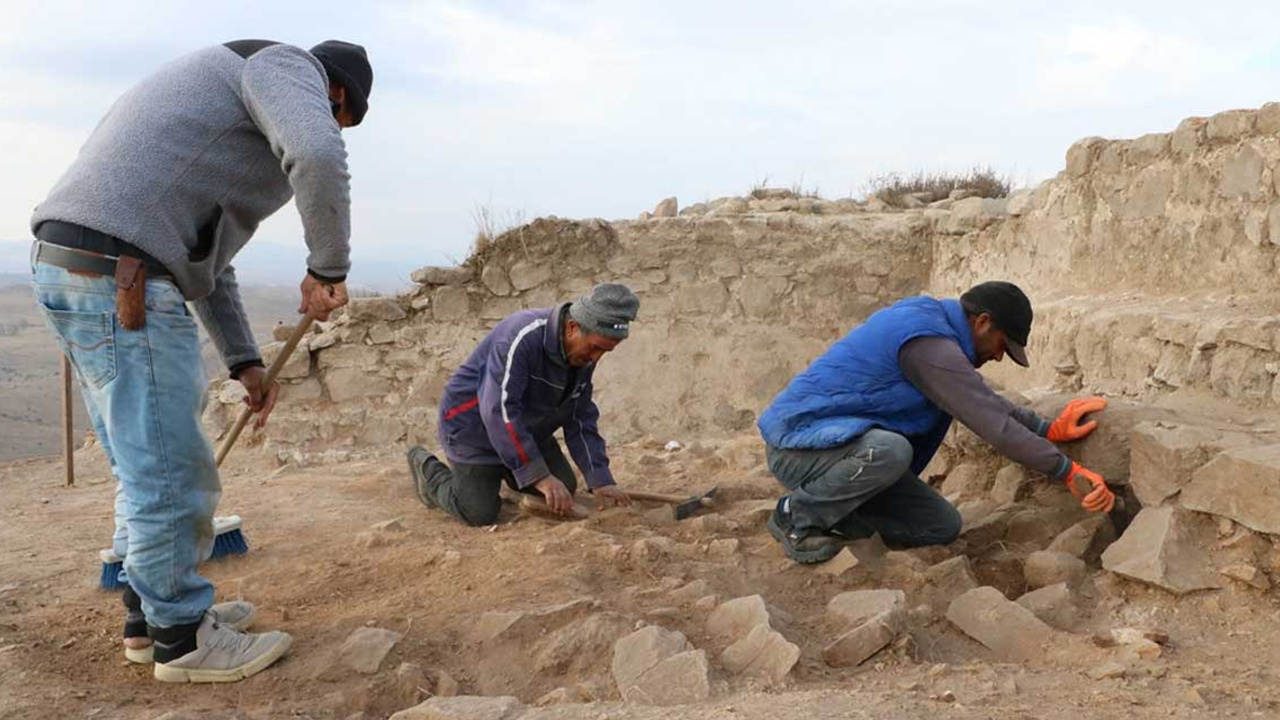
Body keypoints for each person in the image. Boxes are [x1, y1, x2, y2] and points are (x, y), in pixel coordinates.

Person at [29, 38, 373, 682]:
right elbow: (319, 152)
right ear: (335, 96)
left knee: (143, 463)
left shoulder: (212, 112)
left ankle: (148, 620)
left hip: (80, 268)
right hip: (122, 277)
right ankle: (184, 642)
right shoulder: (283, 67)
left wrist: (244, 362)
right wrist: (328, 268)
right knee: (171, 473)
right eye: (340, 118)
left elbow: (208, 266)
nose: (330, 129)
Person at [756, 281, 1114, 564]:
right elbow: (993, 424)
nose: (999, 356)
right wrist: (1067, 471)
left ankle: (837, 513)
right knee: (889, 450)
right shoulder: (927, 341)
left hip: (846, 454)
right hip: (800, 449)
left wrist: (1047, 429)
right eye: (1003, 345)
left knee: (940, 525)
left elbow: (982, 400)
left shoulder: (939, 332)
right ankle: (796, 516)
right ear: (983, 322)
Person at [407, 284, 639, 524]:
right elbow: (499, 411)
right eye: (595, 348)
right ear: (572, 327)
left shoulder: (583, 354)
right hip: (474, 429)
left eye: (605, 352)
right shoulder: (520, 338)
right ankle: (425, 467)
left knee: (564, 489)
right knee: (478, 512)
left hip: (525, 428)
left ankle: (514, 470)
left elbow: (580, 416)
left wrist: (599, 478)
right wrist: (538, 476)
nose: (595, 358)